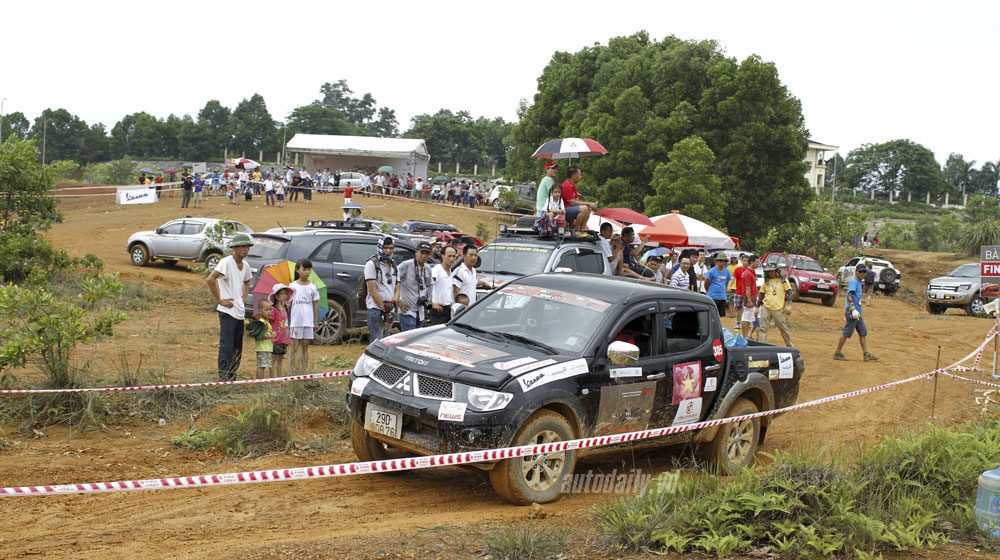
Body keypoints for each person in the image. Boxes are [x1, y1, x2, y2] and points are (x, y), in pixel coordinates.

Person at [205, 233, 254, 381]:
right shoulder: (226, 262)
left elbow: (247, 282)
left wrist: (244, 297)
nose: (246, 249)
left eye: (247, 246)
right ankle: (224, 378)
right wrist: (220, 300)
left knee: (237, 346)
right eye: (242, 246)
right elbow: (210, 279)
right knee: (227, 345)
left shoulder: (245, 265)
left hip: (238, 310)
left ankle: (232, 376)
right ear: (235, 248)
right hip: (227, 311)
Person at [834, 264, 880, 362]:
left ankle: (866, 353)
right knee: (846, 333)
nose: (862, 274)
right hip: (853, 312)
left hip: (858, 313)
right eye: (860, 272)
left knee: (863, 332)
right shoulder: (854, 282)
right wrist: (852, 308)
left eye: (864, 272)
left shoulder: (859, 282)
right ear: (856, 272)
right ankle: (837, 352)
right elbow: (849, 295)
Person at [363, 236, 400, 343]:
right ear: (380, 247)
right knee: (376, 341)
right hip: (376, 309)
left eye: (391, 248)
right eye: (385, 248)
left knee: (386, 340)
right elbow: (372, 290)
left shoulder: (394, 266)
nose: (388, 251)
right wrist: (383, 306)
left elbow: (397, 288)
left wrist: (392, 303)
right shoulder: (372, 264)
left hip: (390, 310)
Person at [289, 259, 320, 374]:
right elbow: (289, 303)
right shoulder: (292, 286)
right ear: (298, 270)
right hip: (296, 321)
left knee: (305, 349)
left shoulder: (313, 287)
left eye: (309, 269)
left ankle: (303, 372)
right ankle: (291, 373)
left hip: (308, 322)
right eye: (304, 269)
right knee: (293, 349)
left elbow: (315, 304)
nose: (307, 272)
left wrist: (315, 322)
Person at [398, 242, 433, 331]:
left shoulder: (428, 268)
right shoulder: (405, 265)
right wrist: (398, 300)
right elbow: (394, 282)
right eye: (422, 253)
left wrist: (427, 298)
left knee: (415, 340)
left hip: (420, 310)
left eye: (427, 254)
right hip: (407, 310)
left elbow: (430, 285)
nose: (424, 256)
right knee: (409, 339)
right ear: (416, 252)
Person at [757, 263, 793, 347]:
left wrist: (788, 304)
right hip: (766, 307)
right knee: (763, 328)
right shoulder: (766, 282)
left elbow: (789, 292)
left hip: (778, 308)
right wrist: (757, 306)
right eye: (768, 272)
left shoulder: (783, 281)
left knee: (783, 328)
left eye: (771, 271)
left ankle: (789, 346)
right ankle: (760, 346)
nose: (770, 273)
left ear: (776, 271)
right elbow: (761, 294)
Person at [429, 245, 459, 325]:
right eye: (449, 256)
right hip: (438, 311)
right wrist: (431, 303)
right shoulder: (437, 269)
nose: (452, 259)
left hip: (448, 310)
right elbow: (427, 286)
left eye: (453, 256)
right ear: (442, 256)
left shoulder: (451, 272)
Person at [268, 284, 292, 378]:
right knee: (273, 359)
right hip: (275, 338)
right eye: (282, 294)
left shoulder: (286, 308)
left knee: (280, 359)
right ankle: (272, 379)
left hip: (283, 338)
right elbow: (269, 322)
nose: (285, 296)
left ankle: (278, 378)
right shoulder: (274, 309)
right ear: (276, 296)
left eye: (286, 294)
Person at [252, 300, 275, 380]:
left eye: (270, 309)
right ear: (260, 311)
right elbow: (260, 335)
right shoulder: (262, 323)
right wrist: (271, 336)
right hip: (263, 348)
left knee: (263, 366)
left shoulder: (266, 322)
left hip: (266, 347)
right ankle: (260, 383)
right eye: (266, 310)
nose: (269, 312)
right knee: (262, 366)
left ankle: (259, 382)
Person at [740, 255, 760, 340]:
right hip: (749, 297)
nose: (758, 264)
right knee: (746, 316)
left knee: (749, 316)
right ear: (752, 262)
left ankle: (746, 335)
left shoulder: (752, 272)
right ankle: (745, 336)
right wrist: (749, 300)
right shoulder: (748, 273)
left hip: (753, 296)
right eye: (757, 262)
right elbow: (747, 287)